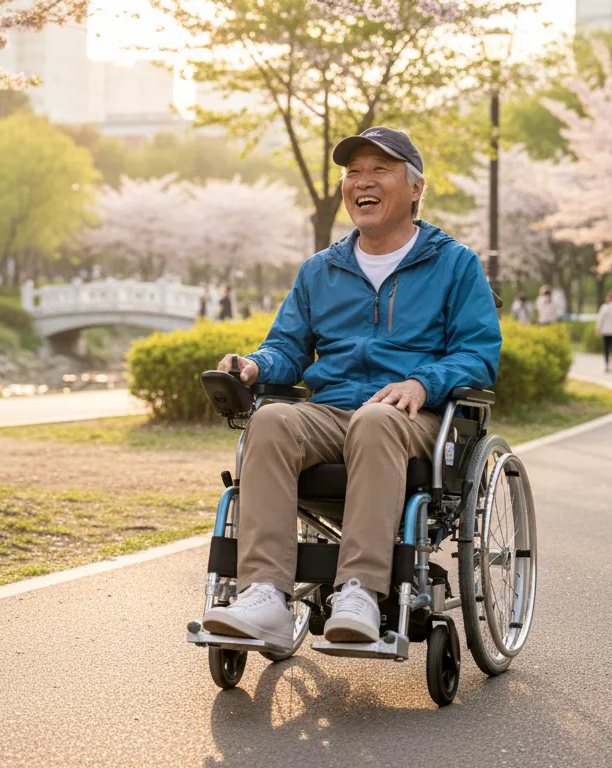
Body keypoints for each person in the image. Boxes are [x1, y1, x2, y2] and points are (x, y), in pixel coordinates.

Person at [200, 126, 500, 647]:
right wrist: (254, 365)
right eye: (353, 172)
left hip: (412, 417)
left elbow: (478, 353)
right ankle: (265, 594)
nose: (363, 181)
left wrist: (423, 382)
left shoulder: (455, 264)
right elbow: (287, 348)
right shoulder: (320, 270)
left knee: (377, 420)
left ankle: (359, 591)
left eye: (380, 170)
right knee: (270, 420)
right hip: (333, 412)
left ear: (416, 188)